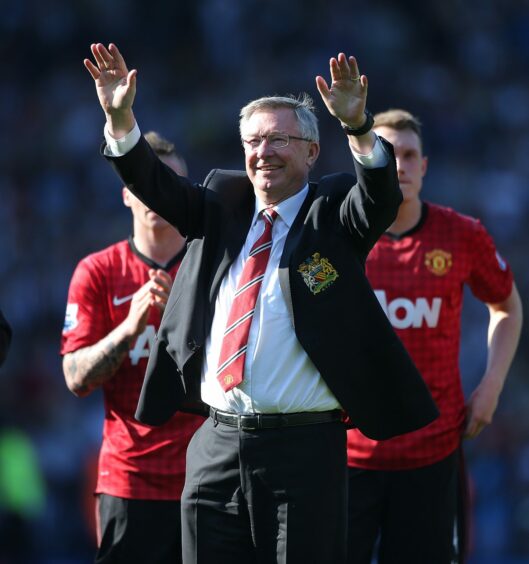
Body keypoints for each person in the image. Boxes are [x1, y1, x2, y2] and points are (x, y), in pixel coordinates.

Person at [84, 43, 439, 564]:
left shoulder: (333, 212)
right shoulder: (221, 205)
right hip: (216, 444)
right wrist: (120, 117)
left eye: (279, 139)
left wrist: (360, 126)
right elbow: (153, 184)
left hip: (305, 451)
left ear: (312, 151)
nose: (262, 151)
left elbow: (380, 197)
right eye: (253, 140)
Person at [346, 109, 523, 564]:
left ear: (424, 166)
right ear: (365, 164)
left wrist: (491, 387)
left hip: (432, 453)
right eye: (387, 155)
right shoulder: (339, 236)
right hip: (347, 456)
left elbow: (506, 306)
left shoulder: (461, 235)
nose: (400, 166)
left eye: (409, 155)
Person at [61, 131, 205, 564]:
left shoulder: (215, 267)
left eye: (169, 183)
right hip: (130, 483)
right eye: (145, 183)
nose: (156, 195)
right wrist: (127, 329)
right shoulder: (98, 272)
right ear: (127, 195)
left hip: (207, 479)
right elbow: (75, 378)